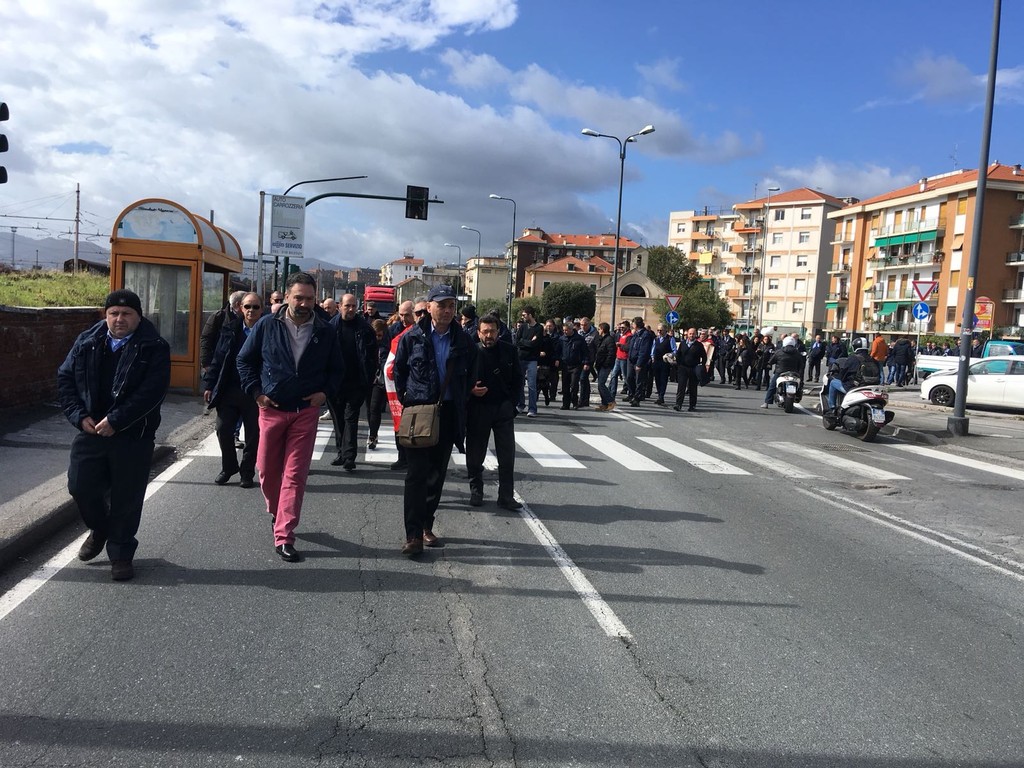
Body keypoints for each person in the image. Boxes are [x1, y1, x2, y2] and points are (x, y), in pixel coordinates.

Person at [57, 289, 171, 581]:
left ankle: (121, 554)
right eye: (114, 313)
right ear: (105, 315)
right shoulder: (87, 341)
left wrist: (117, 420)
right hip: (91, 430)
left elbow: (152, 392)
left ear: (138, 316)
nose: (120, 319)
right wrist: (78, 416)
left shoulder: (154, 346)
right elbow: (65, 378)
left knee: (126, 497)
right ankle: (100, 528)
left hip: (133, 434)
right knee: (80, 486)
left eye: (126, 313)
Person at [237, 272, 343, 563]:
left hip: (305, 413)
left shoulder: (325, 330)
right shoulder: (267, 325)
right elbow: (244, 360)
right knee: (266, 471)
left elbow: (337, 369)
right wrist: (256, 393)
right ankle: (277, 512)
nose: (304, 304)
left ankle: (284, 535)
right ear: (287, 297)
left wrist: (324, 393)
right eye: (299, 298)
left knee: (295, 475)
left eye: (309, 298)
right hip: (271, 409)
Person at [394, 284, 476, 555]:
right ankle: (413, 535)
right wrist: (409, 399)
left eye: (451, 305)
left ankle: (426, 525)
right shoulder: (412, 337)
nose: (447, 310)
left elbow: (470, 374)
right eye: (441, 305)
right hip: (419, 410)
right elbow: (399, 371)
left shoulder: (463, 340)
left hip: (449, 413)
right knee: (416, 474)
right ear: (428, 307)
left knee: (436, 474)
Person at [203, 291, 262, 488]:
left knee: (253, 435)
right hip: (229, 388)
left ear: (262, 309)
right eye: (247, 306)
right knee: (222, 429)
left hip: (255, 392)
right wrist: (209, 384)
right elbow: (219, 357)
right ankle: (229, 467)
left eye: (255, 307)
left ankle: (247, 473)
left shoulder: (267, 331)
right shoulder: (230, 329)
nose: (251, 310)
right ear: (240, 308)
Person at [467, 314, 523, 510]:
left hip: (503, 409)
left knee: (507, 456)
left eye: (492, 331)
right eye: (485, 331)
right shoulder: (471, 352)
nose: (489, 335)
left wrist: (512, 405)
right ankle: (476, 491)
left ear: (498, 332)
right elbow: (461, 378)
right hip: (478, 409)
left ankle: (506, 496)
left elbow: (518, 379)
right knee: (475, 455)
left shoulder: (510, 351)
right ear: (478, 333)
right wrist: (471, 390)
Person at [327, 294, 377, 471]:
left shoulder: (365, 328)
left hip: (356, 382)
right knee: (338, 418)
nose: (350, 309)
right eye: (347, 306)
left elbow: (372, 356)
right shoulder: (330, 327)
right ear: (339, 306)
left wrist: (368, 379)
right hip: (335, 383)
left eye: (353, 306)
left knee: (351, 418)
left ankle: (349, 456)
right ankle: (341, 452)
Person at [827, 336, 878, 411]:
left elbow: (844, 374)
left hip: (855, 387)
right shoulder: (873, 359)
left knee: (833, 382)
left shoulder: (853, 358)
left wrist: (839, 376)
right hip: (870, 387)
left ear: (855, 347)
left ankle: (832, 408)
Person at [200, 290, 245, 373]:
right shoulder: (219, 317)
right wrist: (206, 363)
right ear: (238, 304)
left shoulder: (248, 318)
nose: (250, 308)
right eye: (246, 305)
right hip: (220, 363)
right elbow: (206, 339)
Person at [760, 335, 805, 408]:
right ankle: (797, 396)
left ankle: (767, 402)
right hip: (794, 373)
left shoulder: (779, 352)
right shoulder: (797, 352)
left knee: (772, 386)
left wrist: (769, 364)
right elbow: (801, 364)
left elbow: (771, 361)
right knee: (800, 385)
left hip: (780, 372)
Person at [366, 319, 390, 451]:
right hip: (370, 379)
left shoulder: (387, 345)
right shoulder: (368, 343)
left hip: (382, 380)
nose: (377, 338)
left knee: (376, 408)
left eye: (379, 335)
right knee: (371, 408)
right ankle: (373, 434)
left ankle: (373, 435)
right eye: (374, 335)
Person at [515, 304, 543, 418]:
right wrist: (529, 342)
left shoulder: (539, 328)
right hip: (521, 358)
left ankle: (532, 408)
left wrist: (524, 342)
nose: (523, 317)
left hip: (532, 359)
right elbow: (517, 341)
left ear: (530, 315)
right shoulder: (522, 327)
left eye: (524, 315)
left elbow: (536, 344)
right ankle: (520, 404)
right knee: (519, 383)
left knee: (532, 385)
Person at [554, 321, 589, 409]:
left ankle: (574, 402)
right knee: (565, 386)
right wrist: (557, 359)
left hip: (576, 365)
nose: (565, 332)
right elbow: (557, 351)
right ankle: (565, 404)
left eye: (566, 330)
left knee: (574, 385)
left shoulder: (579, 339)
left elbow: (585, 352)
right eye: (564, 330)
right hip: (565, 365)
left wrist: (586, 362)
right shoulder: (562, 339)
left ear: (571, 329)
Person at [673, 327, 707, 412]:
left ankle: (692, 405)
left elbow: (704, 356)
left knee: (693, 388)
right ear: (687, 334)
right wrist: (678, 364)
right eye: (690, 334)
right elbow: (678, 354)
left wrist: (702, 366)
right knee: (681, 387)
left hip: (693, 368)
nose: (691, 335)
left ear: (696, 335)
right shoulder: (683, 343)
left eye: (693, 334)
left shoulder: (699, 345)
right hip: (683, 368)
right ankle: (678, 404)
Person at [627, 317, 654, 407]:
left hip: (639, 361)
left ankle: (637, 398)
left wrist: (639, 364)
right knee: (629, 378)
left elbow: (644, 351)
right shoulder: (636, 334)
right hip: (631, 360)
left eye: (633, 323)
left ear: (636, 324)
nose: (632, 325)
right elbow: (631, 346)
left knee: (639, 381)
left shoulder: (645, 335)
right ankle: (633, 394)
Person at [650, 324, 677, 405]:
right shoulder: (656, 339)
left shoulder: (670, 339)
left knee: (663, 379)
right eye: (658, 330)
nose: (659, 332)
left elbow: (674, 350)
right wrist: (652, 357)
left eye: (661, 330)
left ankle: (661, 396)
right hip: (656, 361)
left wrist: (670, 355)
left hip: (665, 362)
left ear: (665, 330)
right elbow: (653, 349)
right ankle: (659, 393)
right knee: (657, 379)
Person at [593, 322, 617, 411]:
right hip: (600, 364)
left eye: (599, 329)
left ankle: (610, 401)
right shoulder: (602, 339)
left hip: (605, 365)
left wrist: (606, 364)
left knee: (601, 384)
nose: (598, 331)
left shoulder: (609, 340)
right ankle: (604, 404)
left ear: (602, 329)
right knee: (600, 385)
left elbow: (611, 354)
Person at [610, 321, 632, 401]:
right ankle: (612, 393)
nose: (621, 329)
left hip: (624, 359)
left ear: (627, 328)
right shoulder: (620, 335)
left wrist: (620, 345)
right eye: (620, 327)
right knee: (614, 375)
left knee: (626, 377)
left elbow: (628, 348)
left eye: (623, 327)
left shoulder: (629, 336)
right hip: (618, 358)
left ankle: (631, 393)